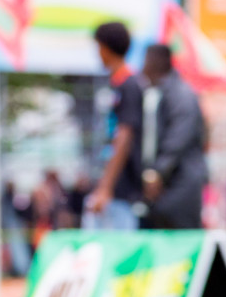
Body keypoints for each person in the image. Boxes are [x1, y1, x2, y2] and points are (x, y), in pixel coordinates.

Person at [137, 44, 207, 229]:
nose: (142, 69)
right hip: (172, 183)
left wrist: (157, 172)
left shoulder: (180, 94)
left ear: (153, 63)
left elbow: (179, 138)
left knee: (180, 244)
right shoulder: (164, 93)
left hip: (180, 185)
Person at [85, 21, 144, 230]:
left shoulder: (130, 85)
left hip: (121, 191)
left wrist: (105, 188)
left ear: (106, 48)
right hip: (112, 187)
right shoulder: (116, 84)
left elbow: (124, 136)